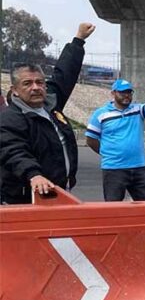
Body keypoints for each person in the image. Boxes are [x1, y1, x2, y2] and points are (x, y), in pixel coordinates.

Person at [0, 23, 94, 204]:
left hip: (60, 193)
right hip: (26, 200)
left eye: (40, 82)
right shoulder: (9, 119)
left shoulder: (52, 104)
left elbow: (64, 74)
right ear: (15, 90)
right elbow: (14, 152)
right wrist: (34, 175)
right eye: (27, 83)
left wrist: (78, 41)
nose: (35, 87)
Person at [85, 79, 145, 202]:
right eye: (122, 92)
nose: (127, 96)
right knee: (114, 208)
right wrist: (106, 152)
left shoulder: (137, 110)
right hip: (113, 169)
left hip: (139, 167)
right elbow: (91, 140)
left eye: (129, 93)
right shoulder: (100, 114)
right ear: (113, 93)